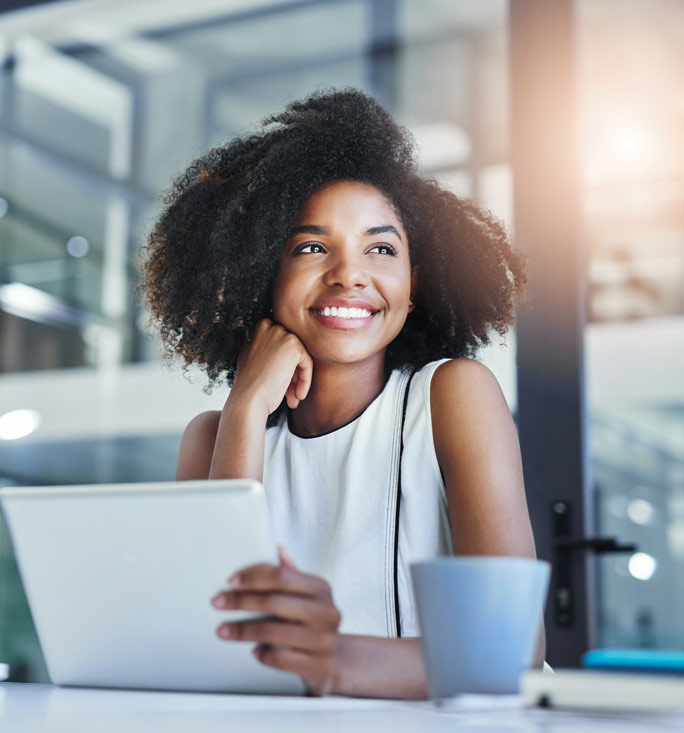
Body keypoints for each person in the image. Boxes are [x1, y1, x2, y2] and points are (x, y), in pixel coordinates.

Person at [141, 89, 541, 698]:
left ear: (412, 285)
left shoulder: (451, 396)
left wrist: (333, 661)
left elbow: (512, 651)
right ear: (260, 274)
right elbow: (214, 645)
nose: (350, 274)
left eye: (381, 249)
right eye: (310, 247)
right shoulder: (213, 437)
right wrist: (246, 410)